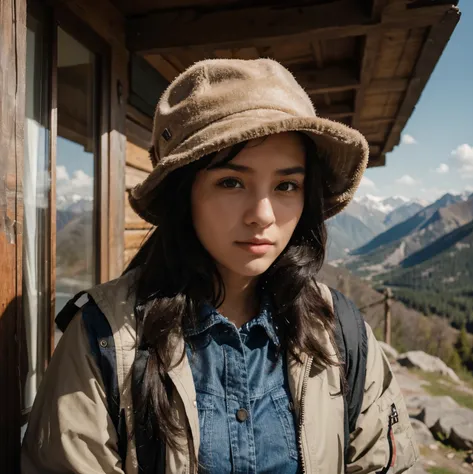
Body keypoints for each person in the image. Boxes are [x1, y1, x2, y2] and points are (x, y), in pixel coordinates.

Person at [22, 58, 419, 473]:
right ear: (184, 193)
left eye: (287, 185)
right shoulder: (103, 341)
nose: (262, 214)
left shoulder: (341, 333)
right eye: (231, 181)